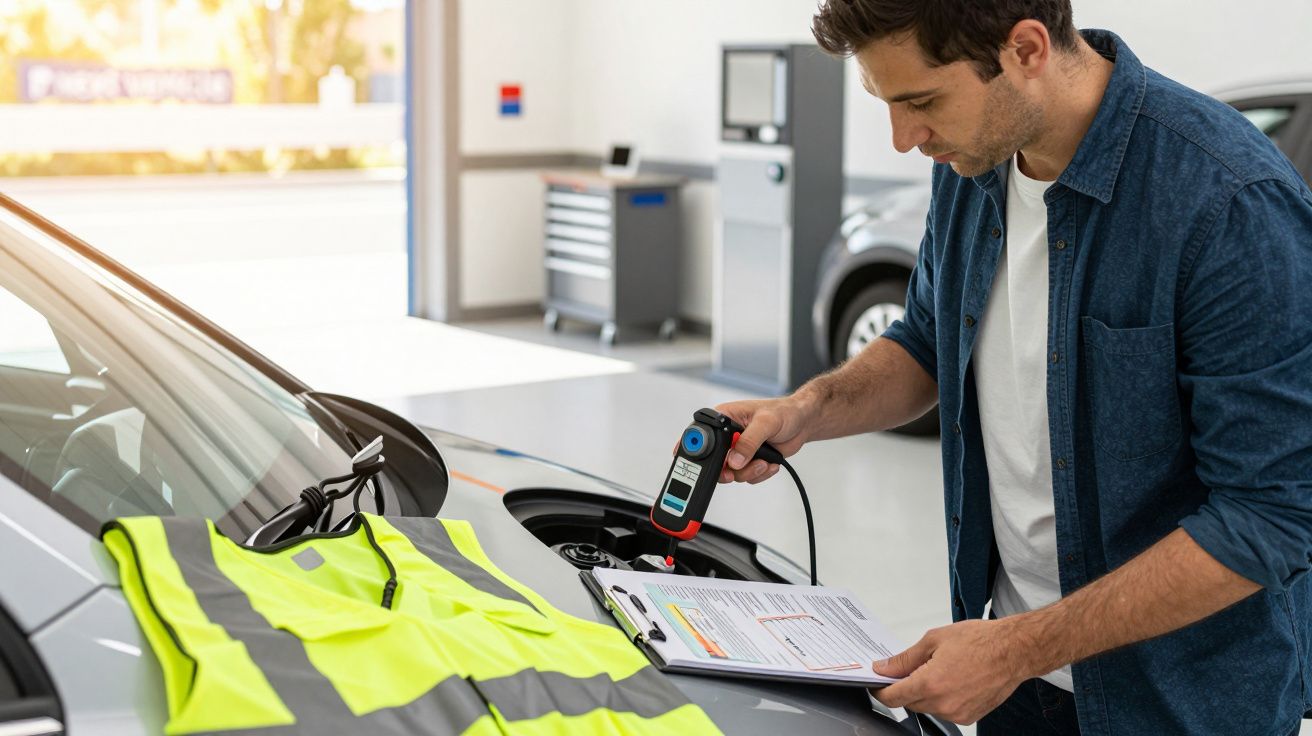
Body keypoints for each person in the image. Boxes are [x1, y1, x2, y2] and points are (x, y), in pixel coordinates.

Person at [713, 2, 1312, 733]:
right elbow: (929, 342)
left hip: (1178, 703)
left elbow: (1271, 516)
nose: (905, 140)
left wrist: (1018, 648)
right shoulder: (972, 164)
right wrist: (807, 409)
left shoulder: (1227, 203)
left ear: (1026, 49)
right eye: (889, 105)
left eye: (922, 101)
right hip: (1007, 674)